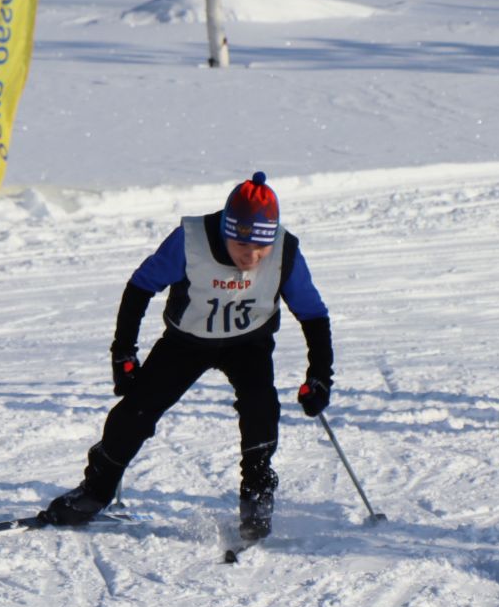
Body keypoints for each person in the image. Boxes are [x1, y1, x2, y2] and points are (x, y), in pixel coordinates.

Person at [40, 172, 334, 541]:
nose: (252, 257)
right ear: (227, 231)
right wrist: (123, 352)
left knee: (261, 407)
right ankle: (95, 491)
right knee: (134, 413)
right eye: (243, 247)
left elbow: (313, 314)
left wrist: (320, 375)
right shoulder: (189, 241)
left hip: (249, 344)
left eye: (261, 248)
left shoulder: (285, 252)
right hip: (186, 343)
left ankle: (257, 493)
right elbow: (139, 288)